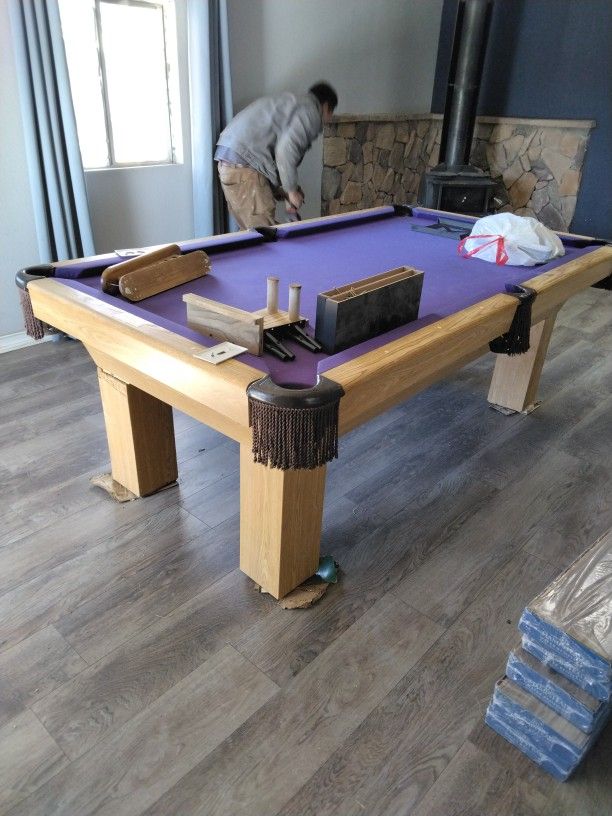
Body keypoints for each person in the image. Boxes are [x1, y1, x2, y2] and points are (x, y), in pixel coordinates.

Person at [215, 82, 338, 229]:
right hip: (244, 163)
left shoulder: (293, 104)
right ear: (325, 106)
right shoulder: (311, 111)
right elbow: (286, 150)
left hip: (229, 160)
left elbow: (269, 158)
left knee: (251, 234)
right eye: (331, 112)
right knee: (265, 235)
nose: (329, 119)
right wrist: (291, 190)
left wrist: (287, 190)